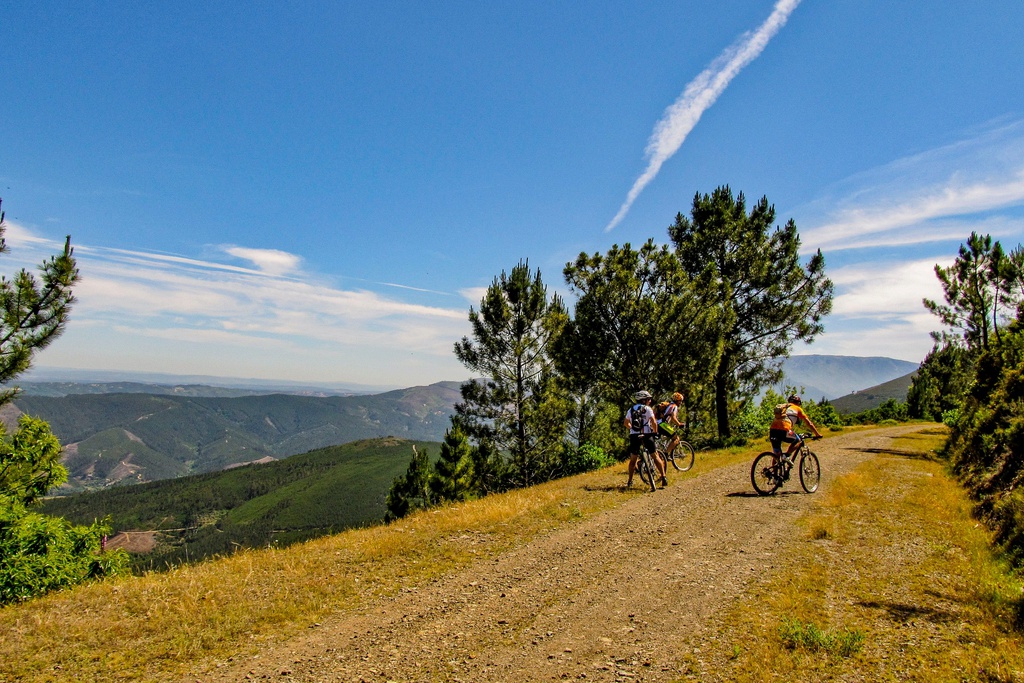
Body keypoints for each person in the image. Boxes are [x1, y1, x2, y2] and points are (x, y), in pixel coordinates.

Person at [624, 390, 667, 488]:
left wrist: (632, 428)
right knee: (655, 456)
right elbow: (653, 422)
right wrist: (655, 432)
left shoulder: (630, 410)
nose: (650, 401)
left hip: (634, 436)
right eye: (648, 399)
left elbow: (626, 423)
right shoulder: (647, 409)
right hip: (647, 434)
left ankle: (630, 481)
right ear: (644, 400)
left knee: (633, 459)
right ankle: (664, 477)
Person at [769, 394, 823, 460]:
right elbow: (809, 423)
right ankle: (786, 455)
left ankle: (774, 469)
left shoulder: (783, 407)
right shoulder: (798, 408)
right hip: (784, 430)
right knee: (798, 440)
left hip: (772, 431)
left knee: (776, 455)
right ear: (798, 403)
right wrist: (817, 434)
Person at [657, 392, 685, 458]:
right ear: (677, 401)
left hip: (657, 424)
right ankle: (666, 454)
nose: (681, 403)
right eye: (680, 401)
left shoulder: (669, 405)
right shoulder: (674, 406)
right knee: (676, 438)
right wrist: (679, 424)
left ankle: (660, 451)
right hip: (663, 424)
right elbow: (673, 417)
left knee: (664, 439)